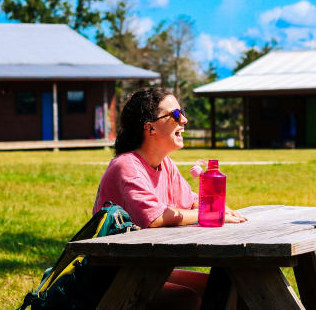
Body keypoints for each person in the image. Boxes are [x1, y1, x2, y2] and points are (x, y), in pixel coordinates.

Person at [93, 88, 247, 309]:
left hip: (144, 265)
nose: (183, 120)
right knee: (186, 299)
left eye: (181, 112)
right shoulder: (126, 165)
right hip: (112, 273)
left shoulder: (165, 164)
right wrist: (209, 214)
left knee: (233, 285)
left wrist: (220, 208)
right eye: (175, 115)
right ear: (150, 127)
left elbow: (191, 200)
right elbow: (154, 217)